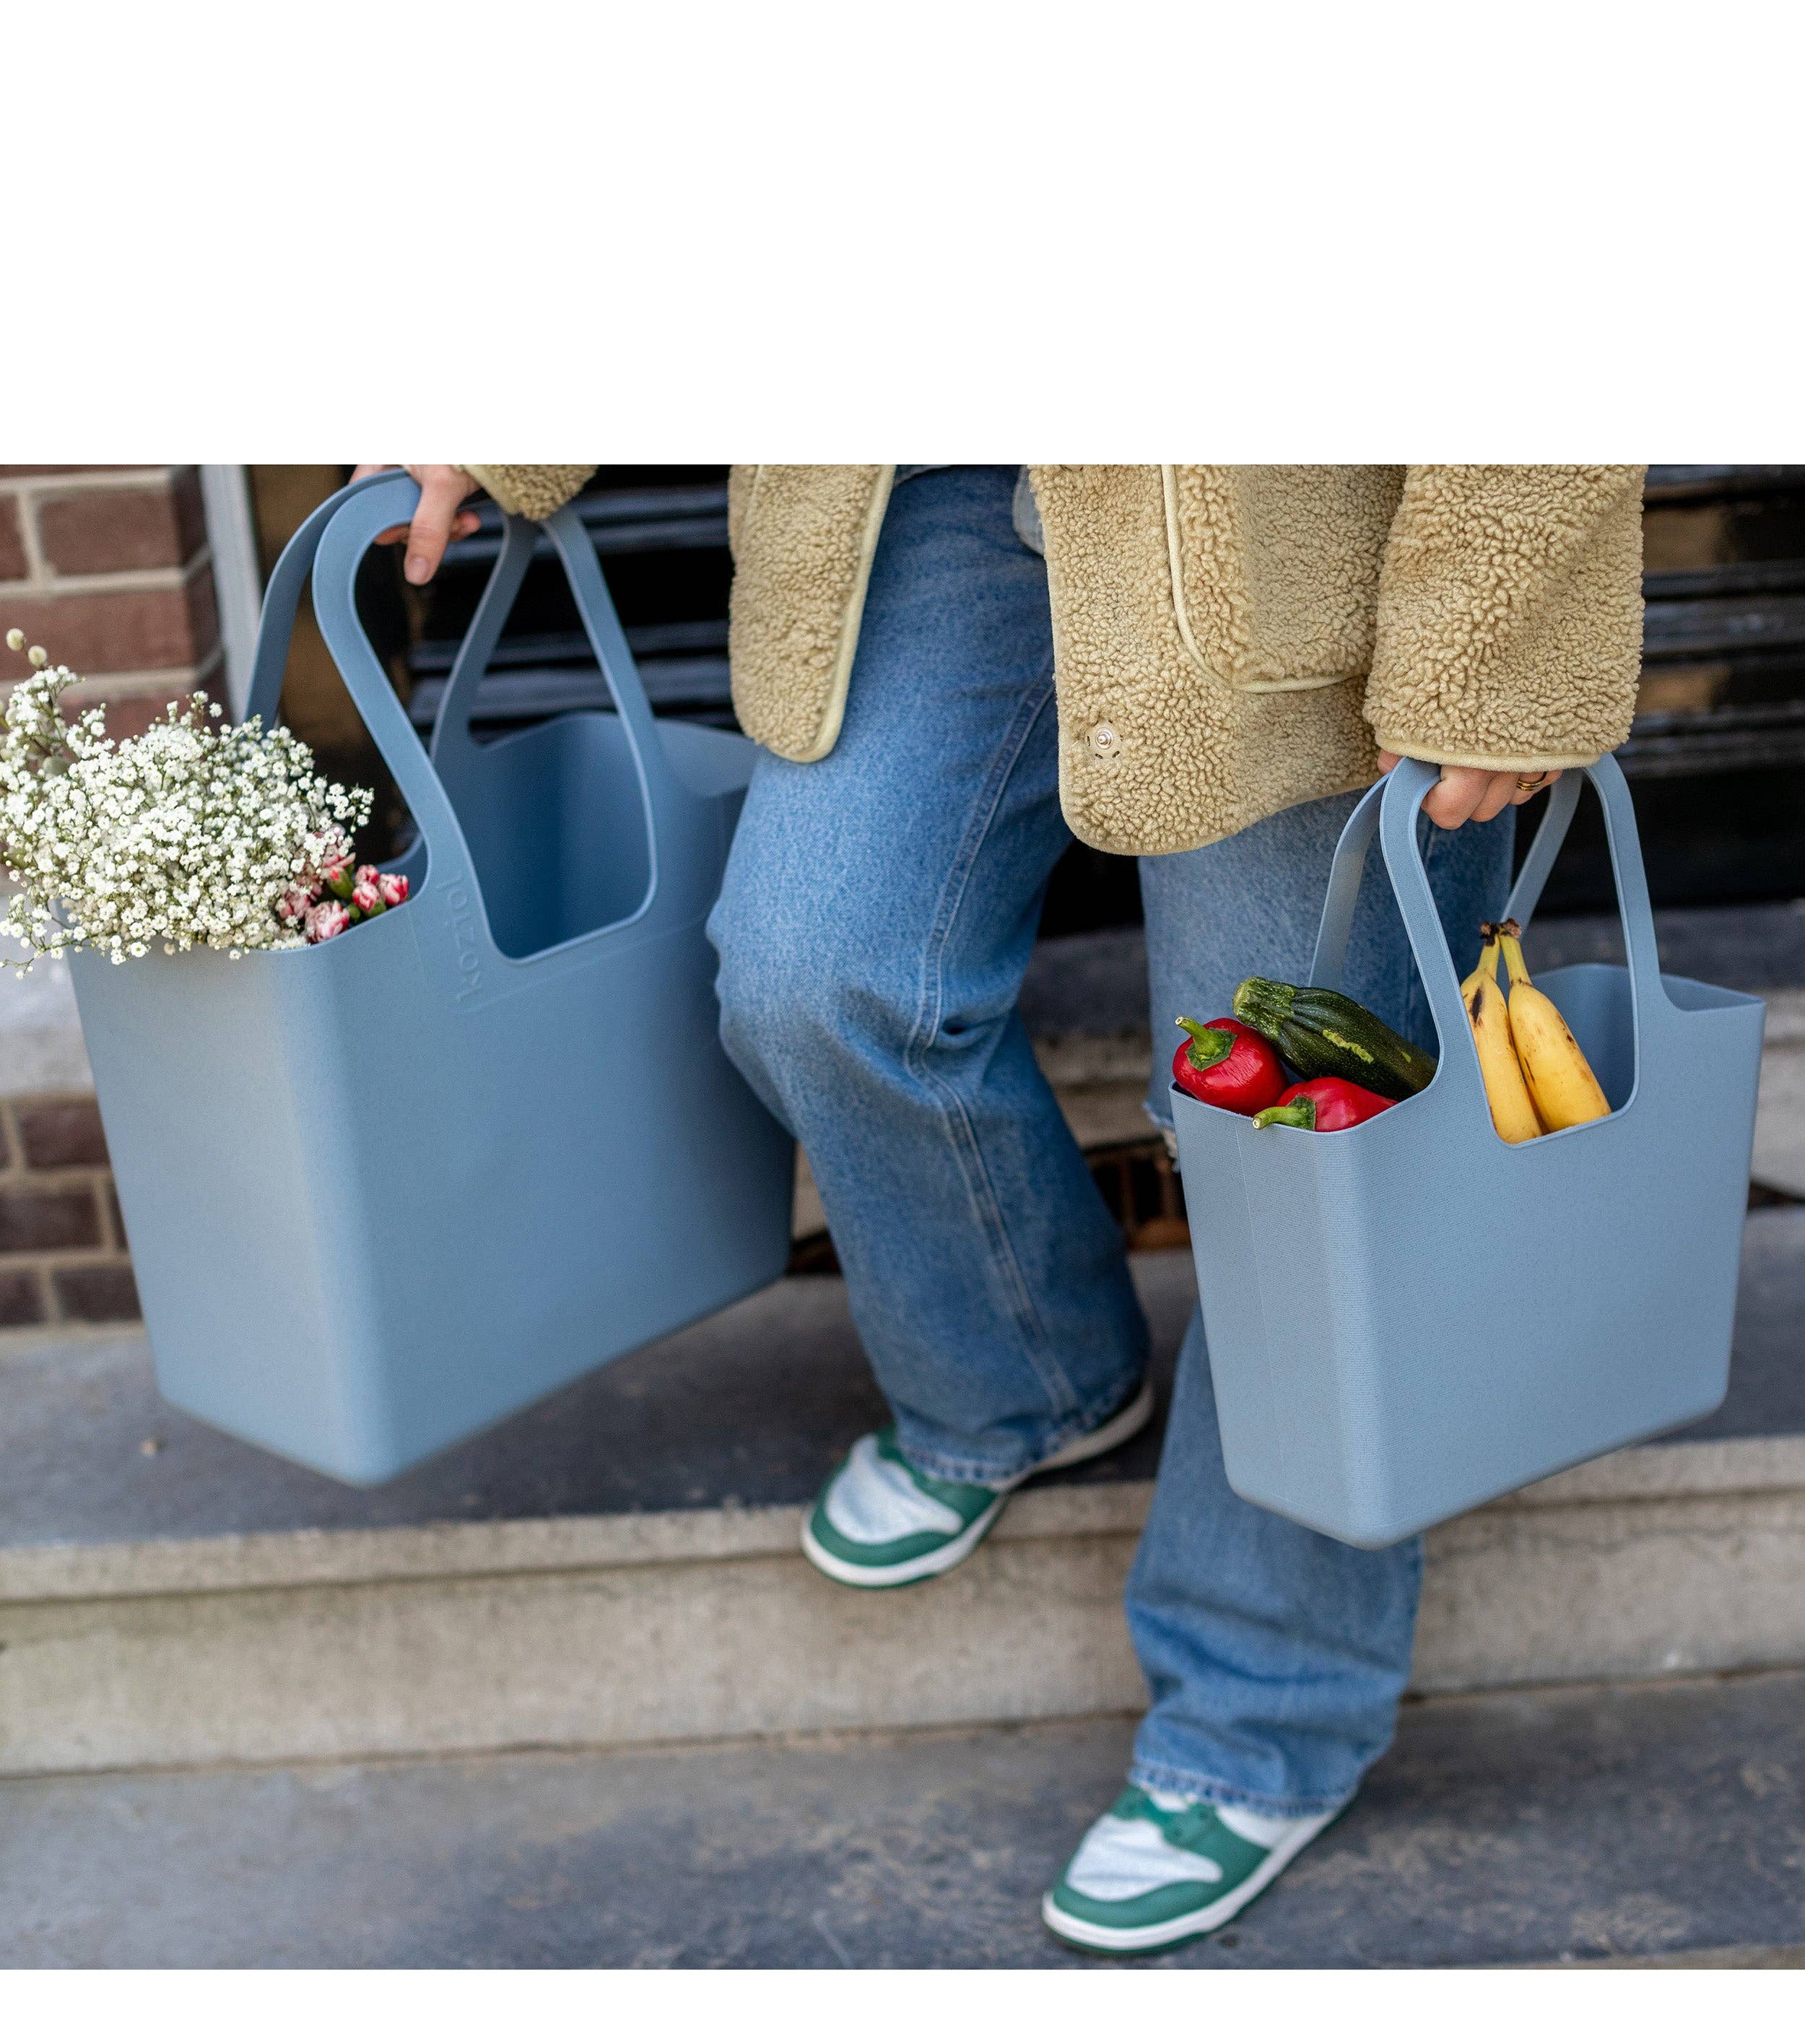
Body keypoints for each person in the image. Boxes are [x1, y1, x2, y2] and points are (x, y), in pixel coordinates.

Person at [361, 461, 1645, 1953]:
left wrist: (1492, 649)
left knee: (1295, 1148)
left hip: (1292, 503)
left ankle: (1265, 1701)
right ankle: (1026, 1378)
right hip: (927, 474)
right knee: (814, 972)